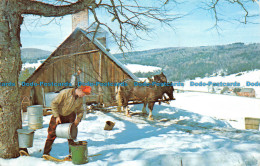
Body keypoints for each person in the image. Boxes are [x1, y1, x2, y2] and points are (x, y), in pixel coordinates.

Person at [42, 85, 91, 157]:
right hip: (59, 115)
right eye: (84, 93)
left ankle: (72, 154)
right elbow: (54, 103)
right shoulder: (65, 93)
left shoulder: (80, 99)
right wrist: (56, 116)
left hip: (70, 116)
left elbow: (81, 110)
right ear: (80, 90)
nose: (83, 95)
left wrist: (78, 119)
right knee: (51, 134)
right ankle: (46, 153)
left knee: (71, 135)